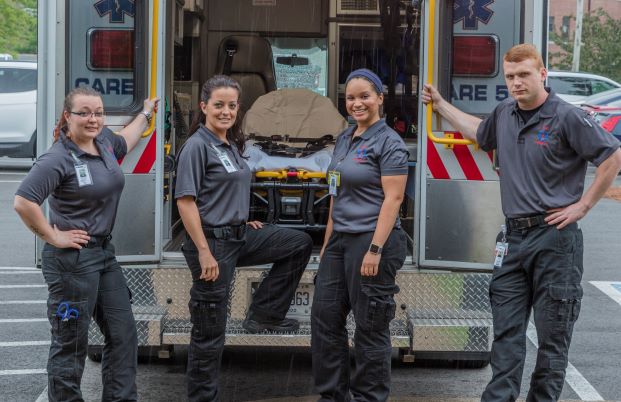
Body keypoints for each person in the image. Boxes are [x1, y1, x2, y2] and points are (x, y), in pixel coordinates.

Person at [422, 44, 621, 401]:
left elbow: (612, 156)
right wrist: (440, 105)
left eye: (524, 75)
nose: (516, 82)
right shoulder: (504, 113)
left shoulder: (567, 116)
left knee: (552, 341)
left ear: (542, 74)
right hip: (513, 241)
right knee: (506, 337)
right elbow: (478, 131)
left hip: (555, 240)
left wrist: (583, 206)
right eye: (510, 76)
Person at [13, 86, 159, 401]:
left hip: (104, 256)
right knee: (71, 345)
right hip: (72, 262)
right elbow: (24, 201)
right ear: (68, 116)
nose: (92, 119)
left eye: (98, 112)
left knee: (123, 335)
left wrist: (145, 112)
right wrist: (53, 236)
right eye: (84, 113)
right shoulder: (58, 158)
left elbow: (129, 138)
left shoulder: (104, 141)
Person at [174, 75, 313, 402]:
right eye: (218, 105)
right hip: (213, 244)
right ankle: (201, 397)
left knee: (298, 243)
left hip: (238, 235)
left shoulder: (228, 144)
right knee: (209, 332)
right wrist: (205, 252)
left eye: (232, 105)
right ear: (204, 106)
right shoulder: (197, 145)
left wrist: (240, 216)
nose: (225, 111)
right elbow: (185, 201)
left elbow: (225, 189)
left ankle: (264, 314)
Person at [311, 68, 409, 402]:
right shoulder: (344, 138)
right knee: (324, 320)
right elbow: (336, 196)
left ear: (380, 98)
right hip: (340, 241)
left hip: (372, 240)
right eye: (351, 97)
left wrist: (376, 249)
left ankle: (369, 397)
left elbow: (393, 199)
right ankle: (334, 395)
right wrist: (327, 245)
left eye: (365, 96)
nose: (357, 103)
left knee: (369, 328)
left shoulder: (389, 142)